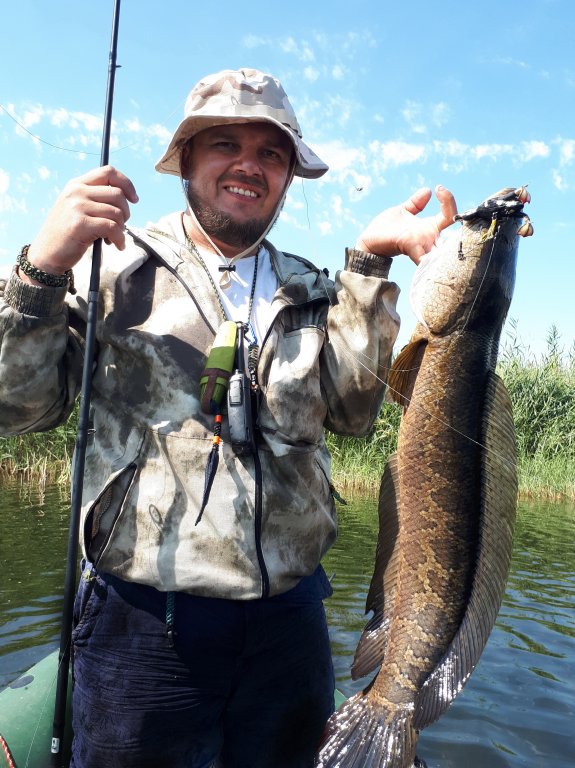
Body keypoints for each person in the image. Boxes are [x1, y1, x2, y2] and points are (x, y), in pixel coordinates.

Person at [0, 68, 457, 768]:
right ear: (186, 158)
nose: (249, 165)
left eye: (270, 153)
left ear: (288, 177)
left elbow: (353, 414)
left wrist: (369, 267)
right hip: (142, 622)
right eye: (225, 144)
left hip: (290, 621)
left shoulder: (313, 290)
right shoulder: (110, 270)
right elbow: (16, 407)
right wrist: (41, 268)